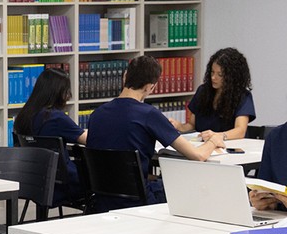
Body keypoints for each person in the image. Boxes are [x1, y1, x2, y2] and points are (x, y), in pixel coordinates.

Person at [86, 56, 224, 207]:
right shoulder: (149, 114)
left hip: (101, 200)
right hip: (138, 201)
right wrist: (214, 140)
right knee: (189, 186)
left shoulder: (96, 114)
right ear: (149, 87)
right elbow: (198, 155)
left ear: (125, 77)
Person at [12, 68, 87, 202]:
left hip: (35, 181)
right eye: (66, 91)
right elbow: (87, 139)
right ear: (59, 93)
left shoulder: (24, 115)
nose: (68, 96)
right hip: (62, 185)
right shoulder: (56, 118)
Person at [170, 47, 255, 142]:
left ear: (232, 76)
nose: (213, 77)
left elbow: (240, 131)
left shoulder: (243, 96)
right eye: (212, 72)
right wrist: (179, 126)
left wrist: (218, 136)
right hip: (202, 145)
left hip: (229, 145)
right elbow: (192, 125)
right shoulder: (203, 91)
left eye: (220, 75)